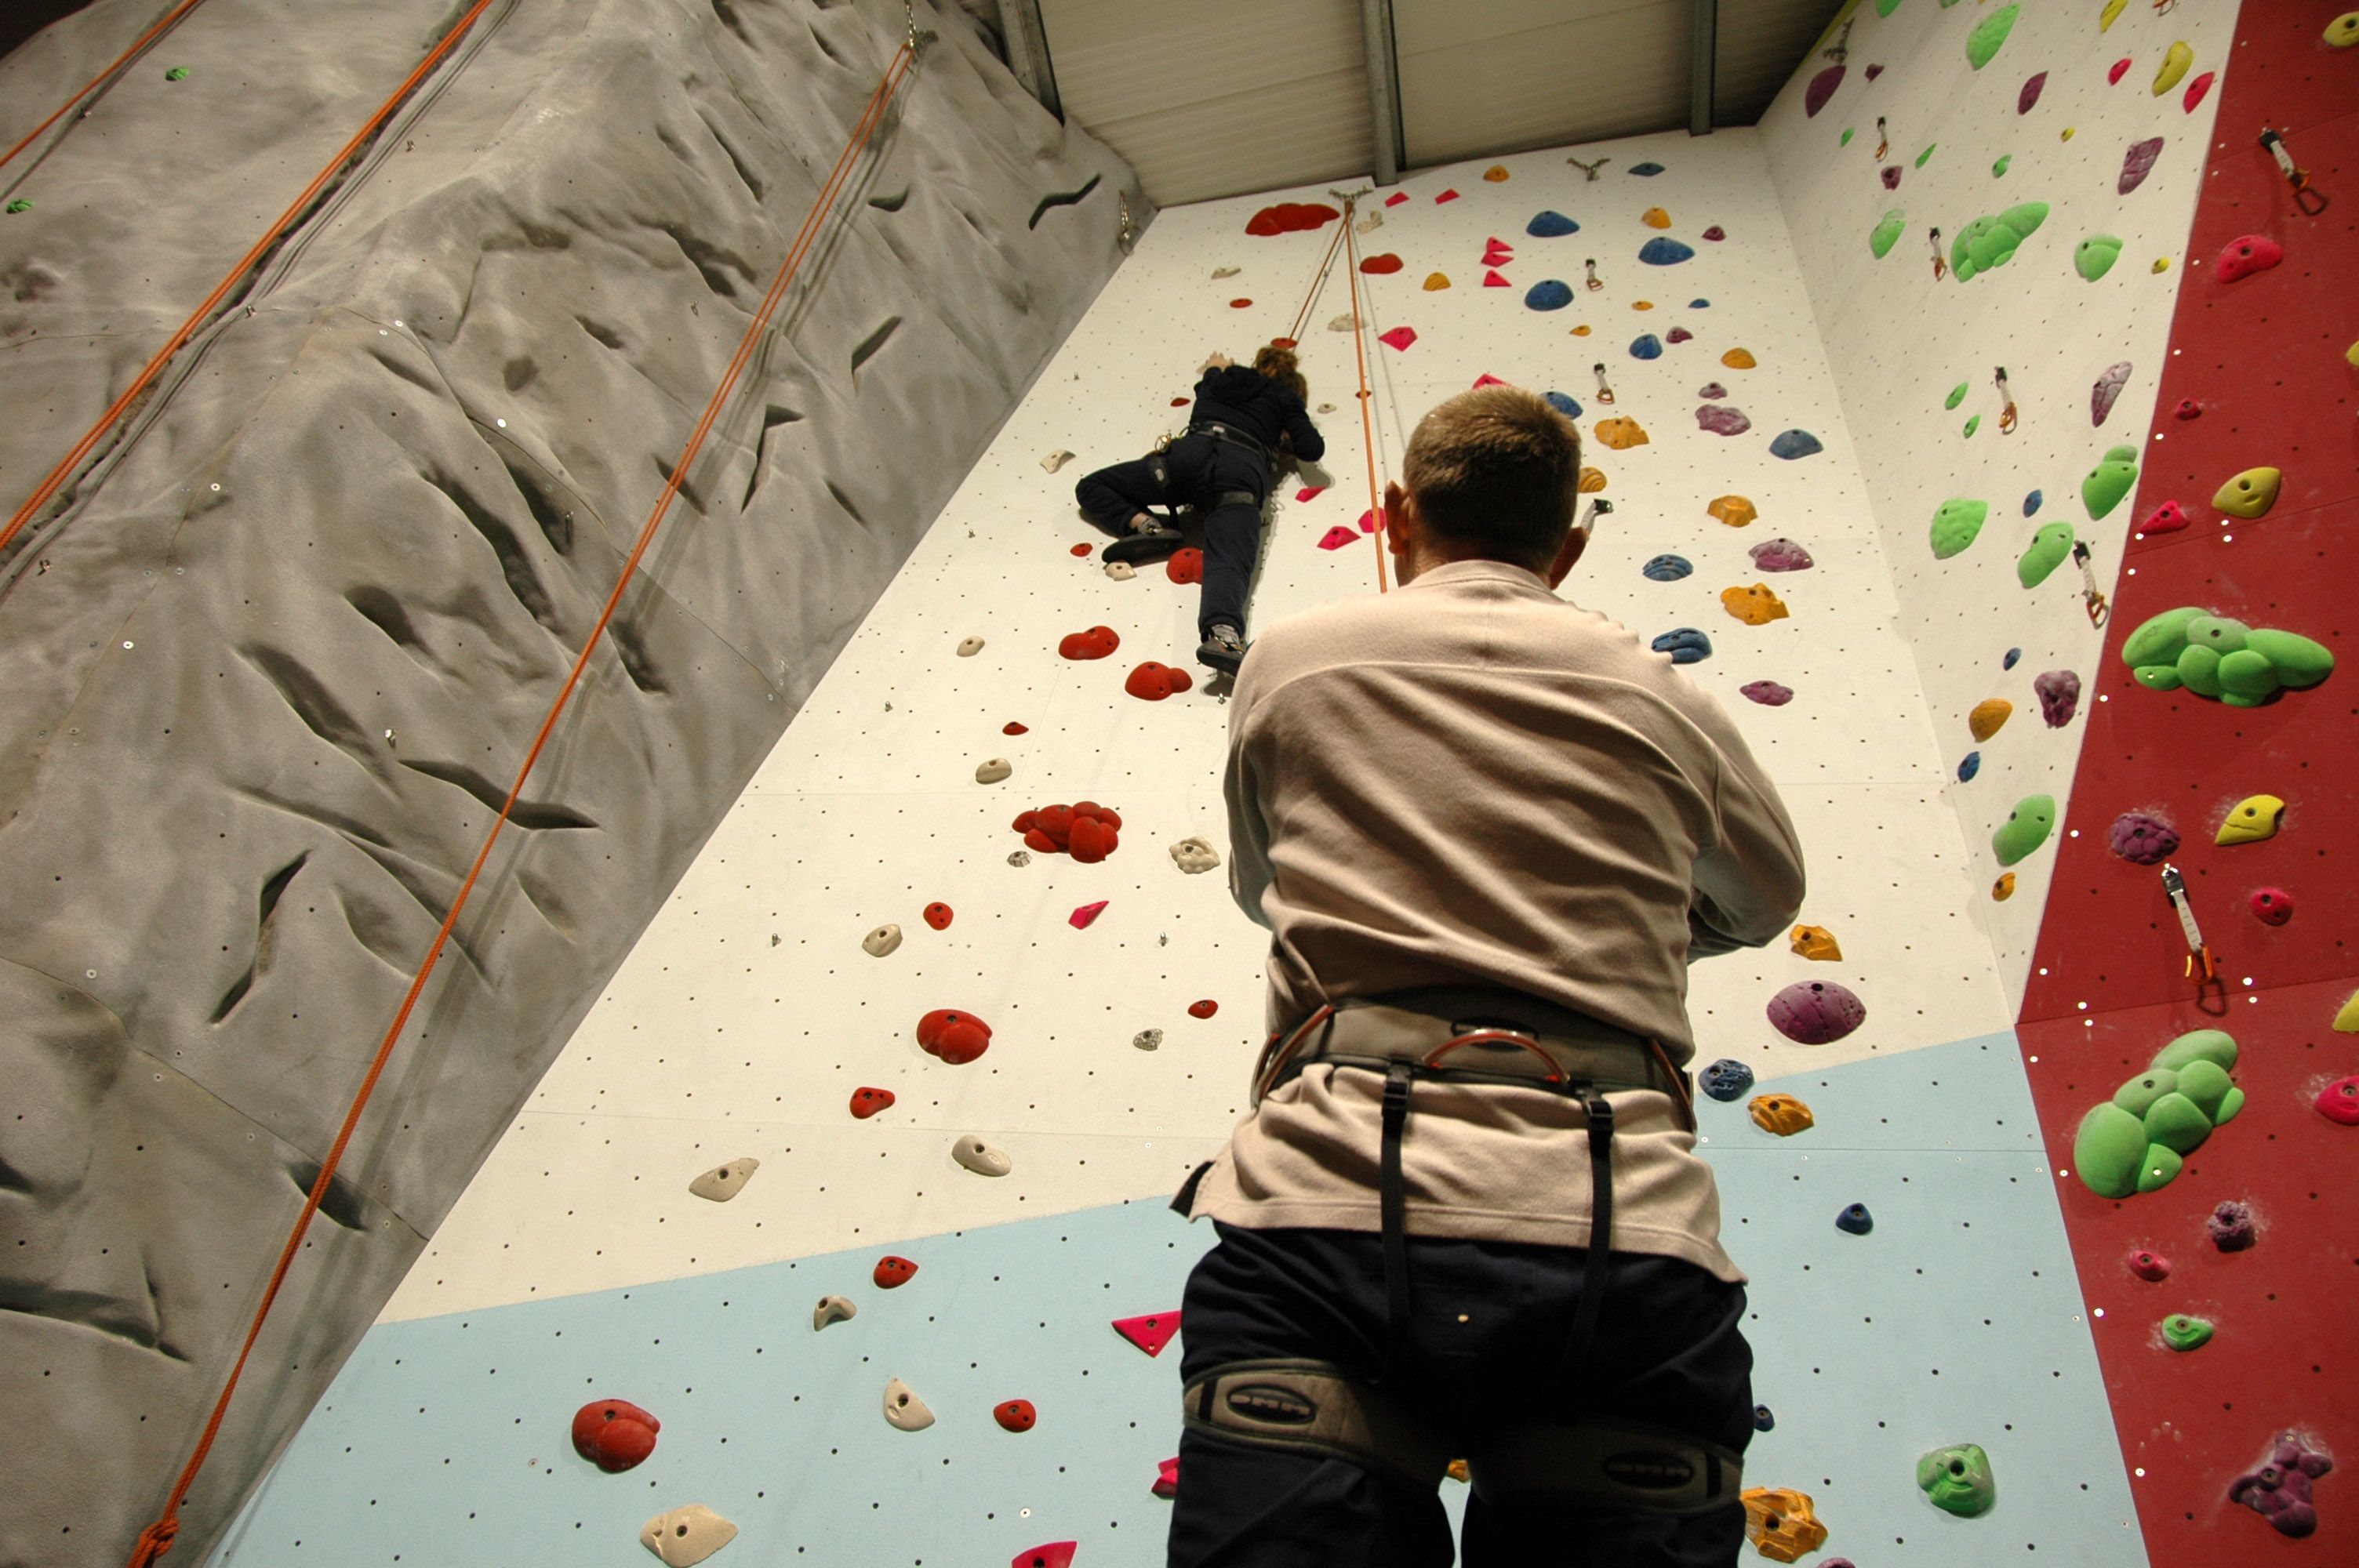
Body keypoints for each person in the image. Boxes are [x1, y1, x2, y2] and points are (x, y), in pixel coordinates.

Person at [1165, 385, 1808, 1566]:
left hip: (1323, 1212)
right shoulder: (1662, 696)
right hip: (1619, 1229)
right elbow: (1764, 901)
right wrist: (1622, 931)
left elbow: (1263, 887)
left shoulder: (1290, 661)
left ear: (1397, 512)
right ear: (1567, 547)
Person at [1073, 344, 1324, 677]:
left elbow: (1210, 379)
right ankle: (1223, 637)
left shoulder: (1221, 378)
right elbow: (1312, 448)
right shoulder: (1284, 398)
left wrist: (1217, 368)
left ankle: (1146, 525)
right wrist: (1286, 429)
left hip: (1185, 461)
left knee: (1092, 486)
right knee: (1229, 558)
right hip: (1239, 471)